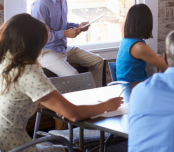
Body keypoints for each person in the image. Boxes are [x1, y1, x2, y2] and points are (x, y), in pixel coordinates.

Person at [0, 13, 123, 152]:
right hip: (13, 146)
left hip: (5, 142)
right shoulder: (27, 71)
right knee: (75, 150)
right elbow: (73, 114)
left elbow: (20, 98)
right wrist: (108, 105)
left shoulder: (5, 62)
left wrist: (57, 106)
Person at [31, 0, 104, 87]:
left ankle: (95, 96)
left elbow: (63, 24)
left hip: (63, 48)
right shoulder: (40, 4)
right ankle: (81, 104)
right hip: (46, 52)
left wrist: (78, 26)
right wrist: (65, 34)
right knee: (74, 75)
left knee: (98, 61)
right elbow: (39, 35)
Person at [116, 4, 167, 82]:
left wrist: (157, 57)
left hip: (125, 87)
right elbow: (167, 67)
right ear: (146, 23)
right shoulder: (139, 47)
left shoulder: (126, 39)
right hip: (133, 89)